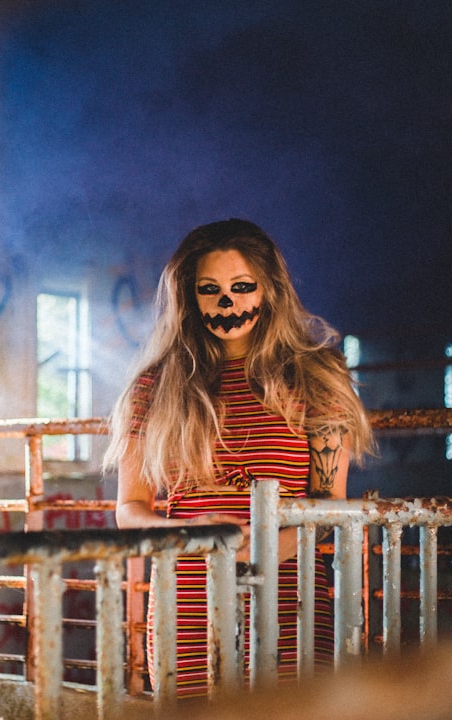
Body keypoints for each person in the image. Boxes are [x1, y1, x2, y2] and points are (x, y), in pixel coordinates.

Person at [103, 218, 373, 697]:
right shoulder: (155, 386)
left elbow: (330, 505)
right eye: (211, 290)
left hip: (289, 596)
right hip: (186, 595)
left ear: (268, 290)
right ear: (190, 297)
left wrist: (265, 548)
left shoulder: (316, 375)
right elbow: (131, 507)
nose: (227, 303)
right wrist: (193, 537)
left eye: (241, 287)